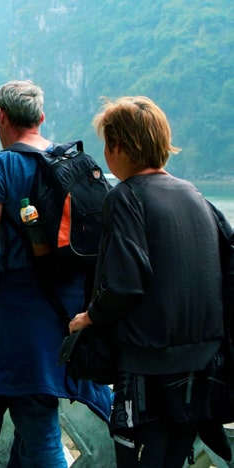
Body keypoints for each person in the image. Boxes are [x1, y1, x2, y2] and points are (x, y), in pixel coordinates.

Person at [0, 80, 111, 466]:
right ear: (41, 118)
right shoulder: (75, 164)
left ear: (1, 116)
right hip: (75, 308)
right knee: (30, 421)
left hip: (27, 311)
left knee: (36, 419)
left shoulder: (1, 166)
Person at [69, 96, 228, 466]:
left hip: (148, 364)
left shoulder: (126, 197)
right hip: (202, 363)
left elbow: (124, 284)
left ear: (118, 147)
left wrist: (88, 317)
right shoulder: (197, 196)